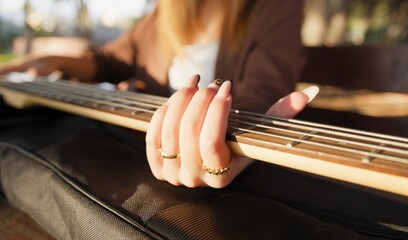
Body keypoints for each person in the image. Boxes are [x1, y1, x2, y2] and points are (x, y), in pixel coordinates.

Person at [0, 0, 318, 188]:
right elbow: (112, 59)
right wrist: (53, 61)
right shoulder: (163, 13)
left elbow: (264, 89)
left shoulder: (273, 7)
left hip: (211, 169)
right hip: (137, 147)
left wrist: (218, 135)